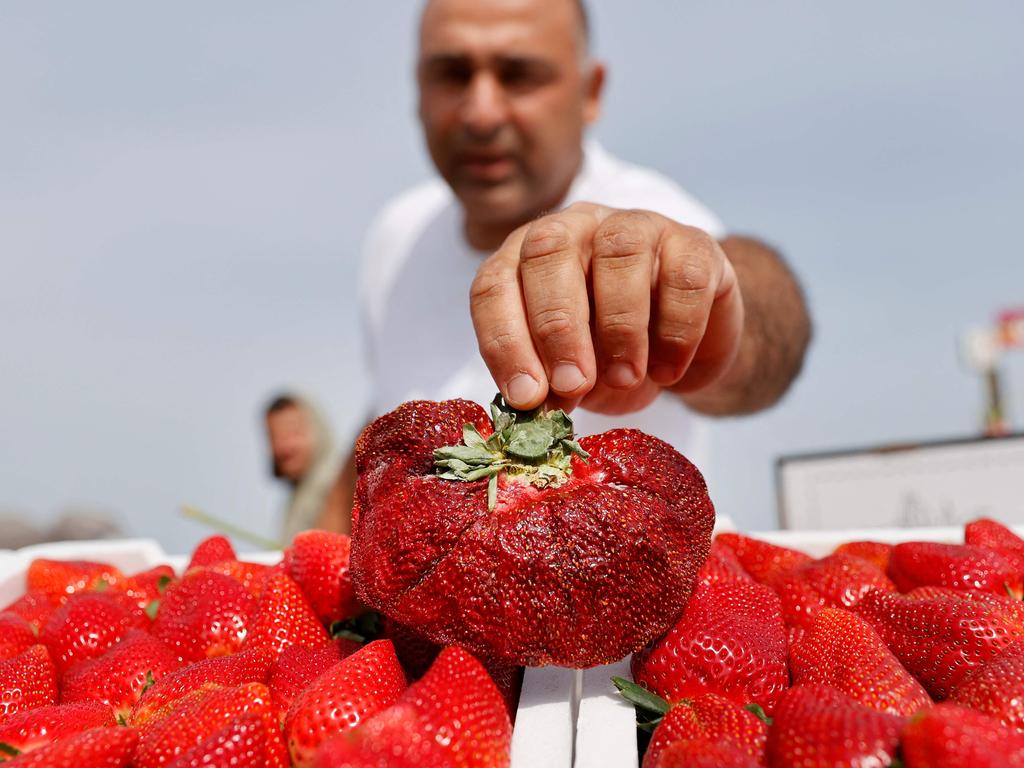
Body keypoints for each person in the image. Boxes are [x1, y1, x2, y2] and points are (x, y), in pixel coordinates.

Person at [320, 0, 812, 533]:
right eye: (452, 74)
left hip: (622, 604)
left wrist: (708, 306)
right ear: (417, 88)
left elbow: (763, 328)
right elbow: (392, 413)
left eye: (520, 75)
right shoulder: (397, 237)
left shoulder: (654, 216)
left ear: (590, 92)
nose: (480, 112)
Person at [264, 394, 344, 540]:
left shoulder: (338, 486)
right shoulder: (297, 499)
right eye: (275, 437)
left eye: (294, 433)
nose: (285, 446)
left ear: (318, 430)